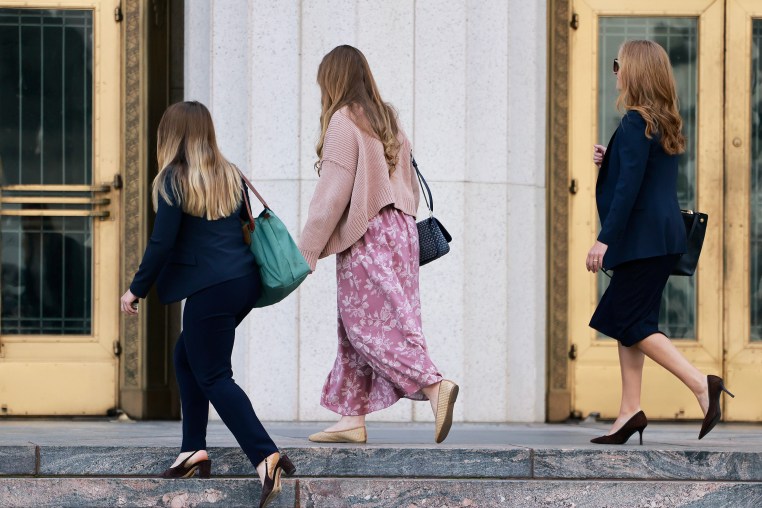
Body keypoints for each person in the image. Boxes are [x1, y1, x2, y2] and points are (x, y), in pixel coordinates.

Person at [119, 101, 294, 508]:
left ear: (171, 135)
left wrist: (136, 290)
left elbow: (161, 243)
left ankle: (265, 456)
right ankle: (192, 451)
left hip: (212, 289)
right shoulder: (230, 174)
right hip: (242, 284)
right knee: (187, 358)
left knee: (214, 375)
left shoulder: (172, 180)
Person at [299, 45, 459, 444]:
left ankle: (433, 384)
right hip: (401, 234)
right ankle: (351, 418)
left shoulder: (343, 121)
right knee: (363, 325)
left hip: (368, 233)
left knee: (367, 328)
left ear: (333, 81)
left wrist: (307, 249)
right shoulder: (387, 119)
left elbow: (331, 195)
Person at [588, 40, 734, 445]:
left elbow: (629, 191)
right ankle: (629, 410)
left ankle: (702, 384)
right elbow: (644, 174)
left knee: (626, 321)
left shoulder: (637, 122)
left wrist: (603, 240)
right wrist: (611, 157)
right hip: (660, 240)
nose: (614, 71)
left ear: (635, 71)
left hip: (642, 242)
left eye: (619, 64)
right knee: (630, 324)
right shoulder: (661, 121)